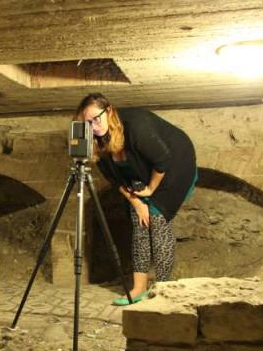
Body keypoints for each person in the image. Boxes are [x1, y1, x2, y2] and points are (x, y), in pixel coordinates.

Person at [76, 93, 197, 306]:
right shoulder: (97, 142)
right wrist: (138, 204)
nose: (93, 126)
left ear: (109, 111)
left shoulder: (137, 127)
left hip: (174, 166)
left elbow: (163, 161)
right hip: (141, 173)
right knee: (139, 223)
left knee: (157, 221)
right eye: (87, 123)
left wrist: (150, 190)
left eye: (96, 118)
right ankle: (138, 289)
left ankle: (163, 289)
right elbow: (117, 181)